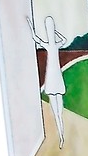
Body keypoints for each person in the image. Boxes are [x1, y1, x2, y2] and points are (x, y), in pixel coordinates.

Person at [28, 14, 68, 148]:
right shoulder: (49, 45)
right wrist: (30, 25)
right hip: (51, 77)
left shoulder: (54, 45)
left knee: (59, 108)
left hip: (55, 76)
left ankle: (62, 133)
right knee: (55, 108)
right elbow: (35, 38)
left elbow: (64, 39)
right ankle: (60, 134)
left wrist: (55, 32)